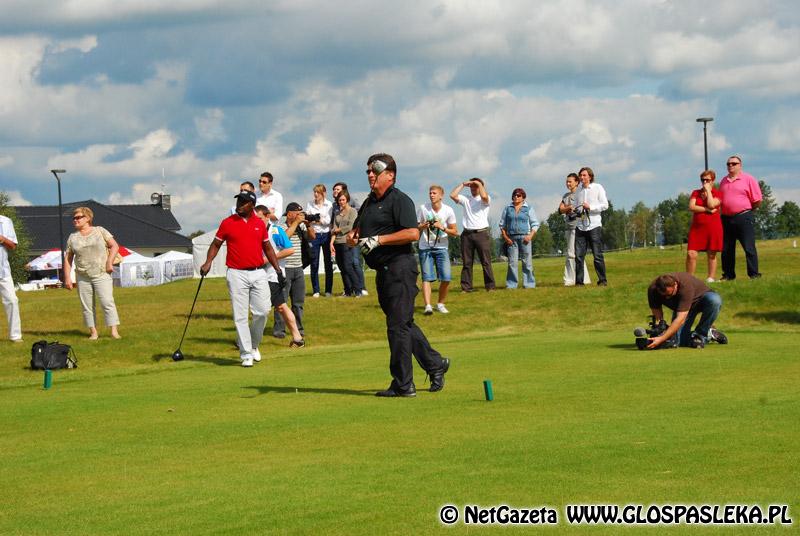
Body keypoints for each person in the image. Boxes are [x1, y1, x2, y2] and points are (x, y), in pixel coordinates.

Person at [347, 153, 450, 397]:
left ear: (390, 175)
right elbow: (357, 230)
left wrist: (378, 240)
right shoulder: (369, 202)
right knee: (402, 323)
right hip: (382, 272)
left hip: (400, 268)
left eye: (375, 171)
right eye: (368, 171)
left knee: (397, 327)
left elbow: (413, 233)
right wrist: (353, 237)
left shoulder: (400, 200)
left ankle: (403, 384)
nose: (370, 175)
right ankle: (435, 364)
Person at [200, 190, 283, 367]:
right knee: (240, 316)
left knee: (262, 312)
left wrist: (277, 269)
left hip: (258, 272)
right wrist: (208, 262)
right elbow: (216, 244)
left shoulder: (260, 224)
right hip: (236, 273)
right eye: (239, 201)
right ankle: (246, 354)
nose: (239, 205)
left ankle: (253, 345)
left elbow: (268, 248)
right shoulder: (228, 222)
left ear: (252, 205)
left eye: (244, 202)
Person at [63, 206, 121, 340]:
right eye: (74, 218)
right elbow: (68, 259)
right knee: (87, 306)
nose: (75, 220)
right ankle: (93, 332)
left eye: (78, 217)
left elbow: (115, 246)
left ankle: (114, 331)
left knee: (107, 301)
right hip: (83, 276)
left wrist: (109, 262)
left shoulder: (100, 231)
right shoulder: (72, 237)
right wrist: (67, 278)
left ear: (88, 218)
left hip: (101, 273)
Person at [254, 206, 305, 347]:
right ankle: (297, 338)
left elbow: (289, 249)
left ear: (267, 216)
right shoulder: (256, 231)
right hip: (259, 275)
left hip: (272, 277)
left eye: (259, 218)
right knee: (281, 307)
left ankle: (249, 342)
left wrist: (269, 259)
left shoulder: (275, 230)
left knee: (263, 309)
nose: (256, 221)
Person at [646, 272, 728, 349]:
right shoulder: (653, 290)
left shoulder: (685, 286)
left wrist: (661, 339)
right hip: (682, 307)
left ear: (675, 285)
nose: (667, 298)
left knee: (714, 300)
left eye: (669, 294)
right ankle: (708, 334)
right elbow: (657, 314)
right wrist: (660, 329)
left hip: (702, 300)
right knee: (678, 342)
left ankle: (701, 335)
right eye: (664, 296)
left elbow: (680, 319)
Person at [272, 202, 315, 339]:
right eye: (297, 213)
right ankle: (279, 330)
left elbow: (313, 237)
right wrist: (295, 223)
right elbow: (284, 239)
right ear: (289, 213)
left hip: (298, 268)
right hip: (285, 268)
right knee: (281, 302)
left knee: (298, 302)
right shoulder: (280, 227)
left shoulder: (302, 226)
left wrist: (308, 224)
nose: (299, 215)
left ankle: (299, 329)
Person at [719, 155, 762, 280]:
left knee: (749, 247)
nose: (731, 166)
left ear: (740, 165)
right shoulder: (723, 181)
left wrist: (748, 210)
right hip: (726, 218)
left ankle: (753, 274)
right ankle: (728, 275)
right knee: (727, 249)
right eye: (728, 164)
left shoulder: (748, 179)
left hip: (743, 217)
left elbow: (757, 200)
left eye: (734, 163)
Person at [417, 185, 458, 314]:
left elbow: (455, 232)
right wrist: (424, 225)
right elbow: (416, 227)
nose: (431, 195)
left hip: (442, 247)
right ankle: (428, 306)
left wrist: (442, 227)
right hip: (425, 246)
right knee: (426, 278)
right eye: (430, 193)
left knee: (446, 278)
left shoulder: (448, 210)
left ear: (441, 195)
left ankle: (440, 303)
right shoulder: (423, 208)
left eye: (434, 193)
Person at [450, 177, 495, 292]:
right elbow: (453, 195)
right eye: (472, 186)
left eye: (475, 186)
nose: (473, 188)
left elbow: (484, 197)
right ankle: (466, 287)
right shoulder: (466, 199)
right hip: (467, 234)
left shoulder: (485, 199)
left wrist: (479, 184)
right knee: (467, 263)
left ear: (481, 187)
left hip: (481, 233)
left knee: (485, 262)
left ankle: (490, 287)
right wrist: (463, 184)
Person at [574, 166, 608, 286]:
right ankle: (579, 282)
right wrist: (576, 211)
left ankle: (602, 280)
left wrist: (591, 208)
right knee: (578, 256)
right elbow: (576, 206)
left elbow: (605, 205)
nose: (582, 177)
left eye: (584, 175)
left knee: (597, 255)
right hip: (581, 226)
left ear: (590, 176)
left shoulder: (598, 187)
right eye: (580, 175)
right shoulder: (578, 190)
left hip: (594, 225)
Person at [331, 182, 367, 296]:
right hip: (337, 242)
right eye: (339, 200)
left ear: (347, 199)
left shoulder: (353, 211)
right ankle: (347, 291)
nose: (341, 202)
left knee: (349, 266)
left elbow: (351, 226)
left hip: (347, 242)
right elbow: (333, 228)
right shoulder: (337, 213)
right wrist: (331, 243)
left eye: (343, 200)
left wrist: (338, 230)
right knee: (342, 268)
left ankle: (358, 290)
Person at [687, 170, 723, 282]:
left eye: (708, 180)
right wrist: (707, 210)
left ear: (713, 181)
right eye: (703, 180)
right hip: (697, 228)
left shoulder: (718, 193)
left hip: (713, 227)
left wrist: (708, 192)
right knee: (691, 253)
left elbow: (712, 204)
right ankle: (689, 279)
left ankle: (711, 278)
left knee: (711, 253)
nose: (705, 182)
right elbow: (692, 207)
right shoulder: (695, 193)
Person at [499, 188, 539, 289]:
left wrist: (530, 236)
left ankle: (529, 284)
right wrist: (505, 237)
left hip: (525, 238)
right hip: (511, 239)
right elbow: (502, 225)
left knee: (527, 262)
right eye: (514, 195)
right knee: (512, 263)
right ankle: (511, 285)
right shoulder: (507, 208)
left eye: (518, 195)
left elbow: (535, 224)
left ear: (523, 197)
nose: (516, 197)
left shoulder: (528, 208)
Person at [559, 173, 590, 286]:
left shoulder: (581, 194)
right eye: (567, 181)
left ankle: (570, 279)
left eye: (570, 181)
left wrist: (570, 209)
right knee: (574, 253)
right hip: (568, 226)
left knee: (573, 254)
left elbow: (582, 209)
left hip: (577, 226)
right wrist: (568, 208)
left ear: (577, 182)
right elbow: (560, 209)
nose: (568, 183)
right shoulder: (566, 195)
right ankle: (583, 278)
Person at [305, 184, 334, 297]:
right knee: (314, 263)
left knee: (328, 263)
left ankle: (328, 290)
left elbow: (328, 221)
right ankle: (316, 290)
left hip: (326, 235)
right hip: (314, 235)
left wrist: (317, 219)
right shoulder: (310, 204)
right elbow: (308, 219)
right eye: (315, 192)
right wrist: (318, 219)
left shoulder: (329, 204)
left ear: (323, 193)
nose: (315, 194)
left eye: (318, 192)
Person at [0, 214, 22, 342]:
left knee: (12, 301)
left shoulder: (5, 221)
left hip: (3, 270)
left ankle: (16, 336)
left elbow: (13, 245)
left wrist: (2, 239)